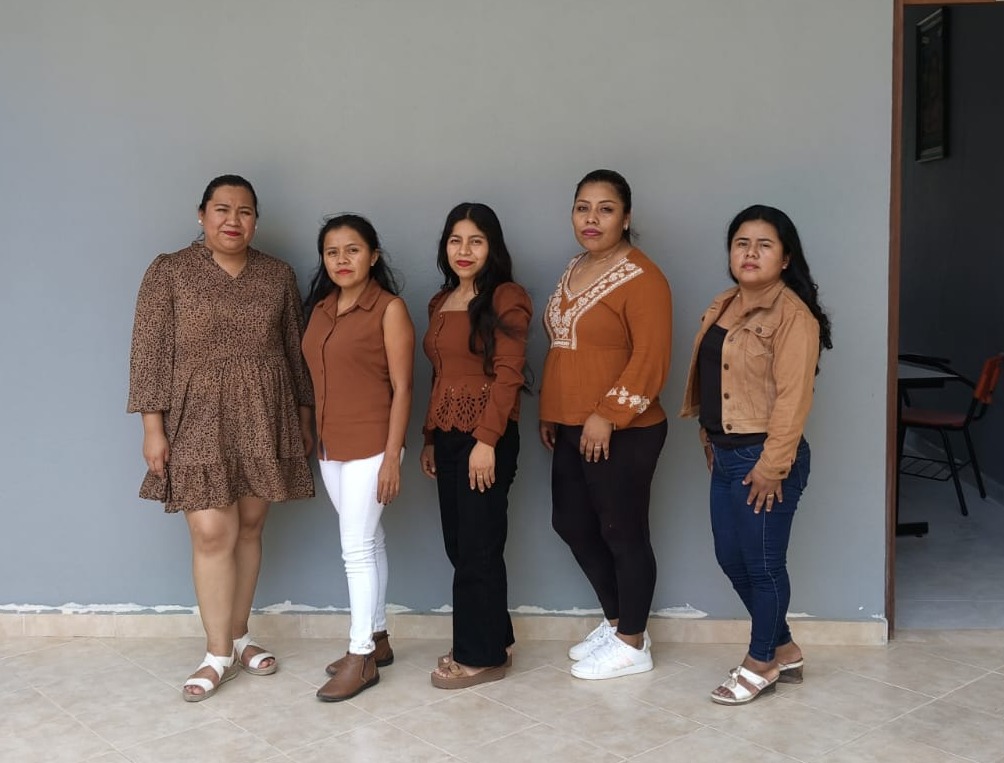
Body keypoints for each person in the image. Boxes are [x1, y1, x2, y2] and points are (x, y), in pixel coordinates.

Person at [128, 174, 315, 702]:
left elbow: (295, 351)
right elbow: (149, 354)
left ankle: (239, 636)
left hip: (264, 412)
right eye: (222, 209)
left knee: (250, 527)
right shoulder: (169, 271)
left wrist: (303, 417)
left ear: (256, 219)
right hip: (197, 416)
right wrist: (152, 427)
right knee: (212, 532)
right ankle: (216, 655)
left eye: (245, 211)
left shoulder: (277, 275)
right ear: (202, 214)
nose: (233, 220)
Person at [679, 204, 832, 705]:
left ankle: (761, 660)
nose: (750, 253)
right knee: (732, 557)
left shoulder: (794, 317)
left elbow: (793, 399)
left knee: (764, 566)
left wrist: (772, 466)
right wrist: (707, 434)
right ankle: (785, 647)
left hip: (763, 458)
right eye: (741, 243)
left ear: (785, 258)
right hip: (725, 453)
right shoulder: (724, 303)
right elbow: (716, 378)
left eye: (764, 245)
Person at [540, 169, 672, 680]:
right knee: (571, 523)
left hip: (626, 429)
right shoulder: (575, 267)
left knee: (623, 532)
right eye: (583, 208)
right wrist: (552, 411)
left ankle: (633, 644)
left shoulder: (644, 278)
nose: (591, 219)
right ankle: (619, 622)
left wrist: (609, 415)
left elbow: (651, 359)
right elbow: (565, 350)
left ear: (627, 217)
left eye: (605, 209)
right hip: (572, 424)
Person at [301, 214, 415, 701]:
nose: (342, 260)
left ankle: (360, 655)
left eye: (352, 250)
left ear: (373, 256)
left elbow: (404, 387)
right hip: (331, 447)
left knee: (355, 548)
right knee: (371, 540)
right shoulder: (321, 310)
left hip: (372, 444)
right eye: (332, 252)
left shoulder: (389, 309)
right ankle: (379, 637)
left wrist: (392, 457)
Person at [419, 202, 532, 689]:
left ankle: (480, 656)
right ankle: (494, 636)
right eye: (455, 240)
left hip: (488, 436)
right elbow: (440, 376)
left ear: (493, 247)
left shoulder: (507, 296)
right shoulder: (440, 300)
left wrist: (486, 441)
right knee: (459, 543)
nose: (464, 250)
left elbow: (509, 374)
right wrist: (429, 437)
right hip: (447, 434)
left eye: (476, 241)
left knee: (479, 547)